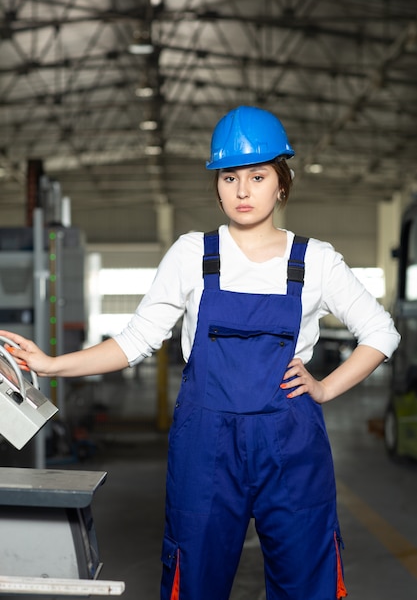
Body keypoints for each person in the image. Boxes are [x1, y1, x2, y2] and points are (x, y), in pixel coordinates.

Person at [1, 105, 400, 600]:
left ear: (282, 182)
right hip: (206, 448)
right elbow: (136, 340)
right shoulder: (193, 255)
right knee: (195, 582)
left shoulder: (315, 261)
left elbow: (381, 332)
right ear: (216, 184)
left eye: (258, 175)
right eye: (229, 176)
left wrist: (324, 387)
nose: (242, 190)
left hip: (292, 446)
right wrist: (51, 364)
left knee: (307, 582)